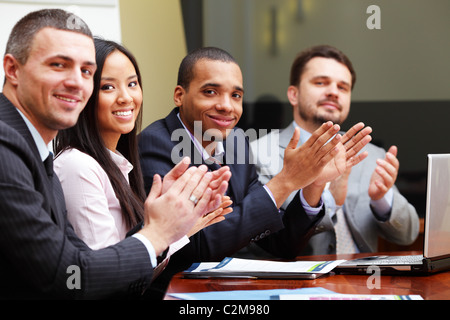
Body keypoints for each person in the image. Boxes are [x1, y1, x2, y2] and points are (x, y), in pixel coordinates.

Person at [0, 9, 227, 299]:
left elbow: (82, 264)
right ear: (12, 69)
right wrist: (158, 231)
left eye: (86, 72)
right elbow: (68, 277)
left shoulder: (39, 152)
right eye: (58, 65)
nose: (76, 82)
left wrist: (165, 225)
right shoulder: (7, 146)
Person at [137, 46, 372, 287]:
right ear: (179, 95)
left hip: (229, 289)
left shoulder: (237, 140)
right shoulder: (155, 142)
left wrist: (315, 182)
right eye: (210, 92)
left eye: (236, 95)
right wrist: (285, 181)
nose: (227, 106)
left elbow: (281, 244)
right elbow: (199, 246)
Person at [53, 38, 231, 264]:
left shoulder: (116, 164)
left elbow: (135, 274)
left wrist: (179, 224)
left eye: (132, 84)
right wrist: (164, 229)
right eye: (108, 87)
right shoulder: (77, 166)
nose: (126, 97)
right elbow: (106, 275)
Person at [251, 45, 419, 255]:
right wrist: (328, 198)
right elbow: (265, 242)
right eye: (321, 82)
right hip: (299, 284)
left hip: (368, 283)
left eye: (343, 87)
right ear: (293, 95)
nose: (333, 92)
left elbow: (408, 235)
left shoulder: (372, 155)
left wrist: (382, 199)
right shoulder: (257, 154)